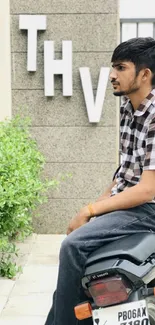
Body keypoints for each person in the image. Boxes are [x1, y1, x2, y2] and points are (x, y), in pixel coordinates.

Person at [45, 37, 155, 325]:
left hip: (148, 209)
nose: (112, 75)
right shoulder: (129, 110)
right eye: (112, 67)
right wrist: (99, 203)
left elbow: (148, 189)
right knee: (79, 254)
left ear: (145, 74)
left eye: (120, 67)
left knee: (73, 246)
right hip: (132, 206)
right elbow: (125, 171)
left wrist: (89, 211)